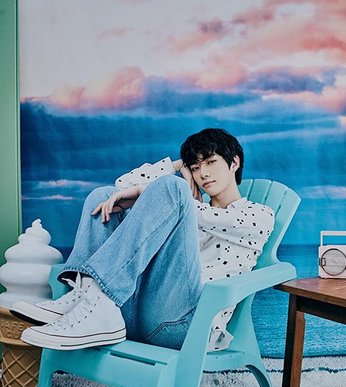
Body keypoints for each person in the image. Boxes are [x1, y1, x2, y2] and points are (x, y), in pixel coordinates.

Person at [13, 128, 274, 353]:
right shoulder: (186, 205)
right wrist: (177, 165)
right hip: (135, 313)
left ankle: (93, 299)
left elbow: (193, 209)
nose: (203, 173)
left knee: (173, 188)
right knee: (102, 196)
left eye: (211, 162)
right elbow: (121, 184)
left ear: (234, 162)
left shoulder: (259, 215)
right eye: (195, 168)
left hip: (187, 323)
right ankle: (85, 296)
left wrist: (155, 193)